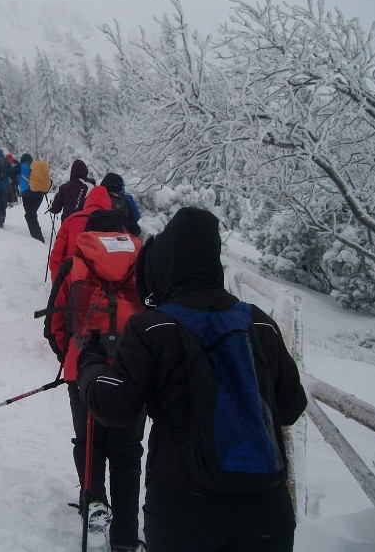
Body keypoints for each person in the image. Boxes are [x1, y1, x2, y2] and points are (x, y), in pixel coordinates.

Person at [77, 207, 307, 552]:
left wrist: (91, 367)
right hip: (266, 510)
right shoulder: (259, 322)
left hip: (183, 505)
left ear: (164, 266)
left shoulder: (153, 326)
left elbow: (116, 406)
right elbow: (290, 406)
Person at [43, 209, 146, 552]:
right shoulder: (141, 264)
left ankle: (94, 504)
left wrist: (71, 356)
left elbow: (54, 325)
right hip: (133, 369)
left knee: (89, 441)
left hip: (84, 367)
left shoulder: (74, 266)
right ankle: (126, 535)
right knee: (128, 450)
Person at [48, 185, 113, 282]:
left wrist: (58, 285)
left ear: (88, 200)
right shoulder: (116, 223)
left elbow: (57, 256)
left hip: (74, 281)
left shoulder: (72, 219)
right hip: (103, 286)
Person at [13, 153, 46, 242]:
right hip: (40, 194)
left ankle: (38, 238)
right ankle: (37, 235)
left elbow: (11, 172)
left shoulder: (22, 166)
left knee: (30, 215)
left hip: (27, 193)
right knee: (32, 214)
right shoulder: (36, 167)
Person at [101, 173, 142, 237]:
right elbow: (136, 217)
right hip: (119, 238)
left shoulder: (93, 195)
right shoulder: (125, 199)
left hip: (94, 237)